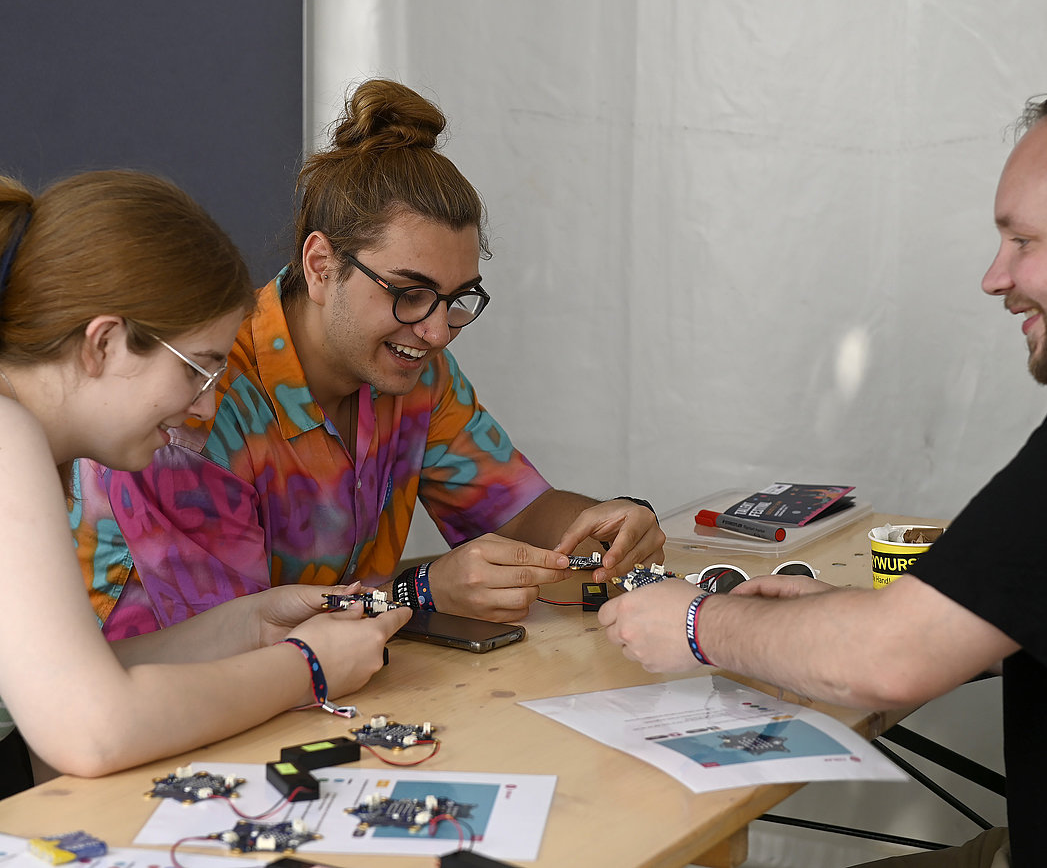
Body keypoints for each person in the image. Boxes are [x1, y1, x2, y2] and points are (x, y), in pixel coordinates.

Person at [599, 72, 1047, 867]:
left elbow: (891, 658)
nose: (996, 276)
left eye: (1024, 240)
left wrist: (696, 623)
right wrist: (848, 619)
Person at [73, 78, 664, 640]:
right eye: (409, 292)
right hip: (175, 699)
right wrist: (420, 593)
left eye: (457, 299)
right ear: (321, 265)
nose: (436, 331)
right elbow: (240, 640)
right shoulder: (193, 406)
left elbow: (519, 512)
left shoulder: (417, 373)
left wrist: (611, 526)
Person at [0, 170, 409, 794]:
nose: (205, 406)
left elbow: (64, 681)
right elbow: (93, 729)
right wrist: (308, 668)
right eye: (197, 370)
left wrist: (252, 627)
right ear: (103, 342)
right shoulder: (8, 437)